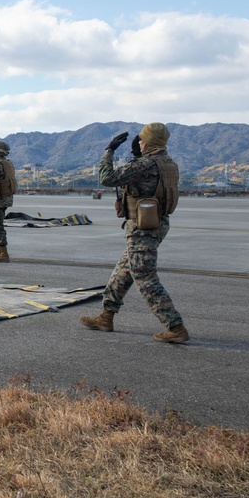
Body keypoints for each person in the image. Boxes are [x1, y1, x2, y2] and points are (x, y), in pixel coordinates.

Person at [80, 123, 188, 343]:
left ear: (148, 142)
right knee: (123, 271)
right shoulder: (169, 164)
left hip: (142, 228)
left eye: (142, 140)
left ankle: (175, 326)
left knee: (144, 276)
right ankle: (106, 316)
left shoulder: (145, 164)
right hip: (156, 224)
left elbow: (106, 178)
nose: (139, 143)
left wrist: (109, 150)